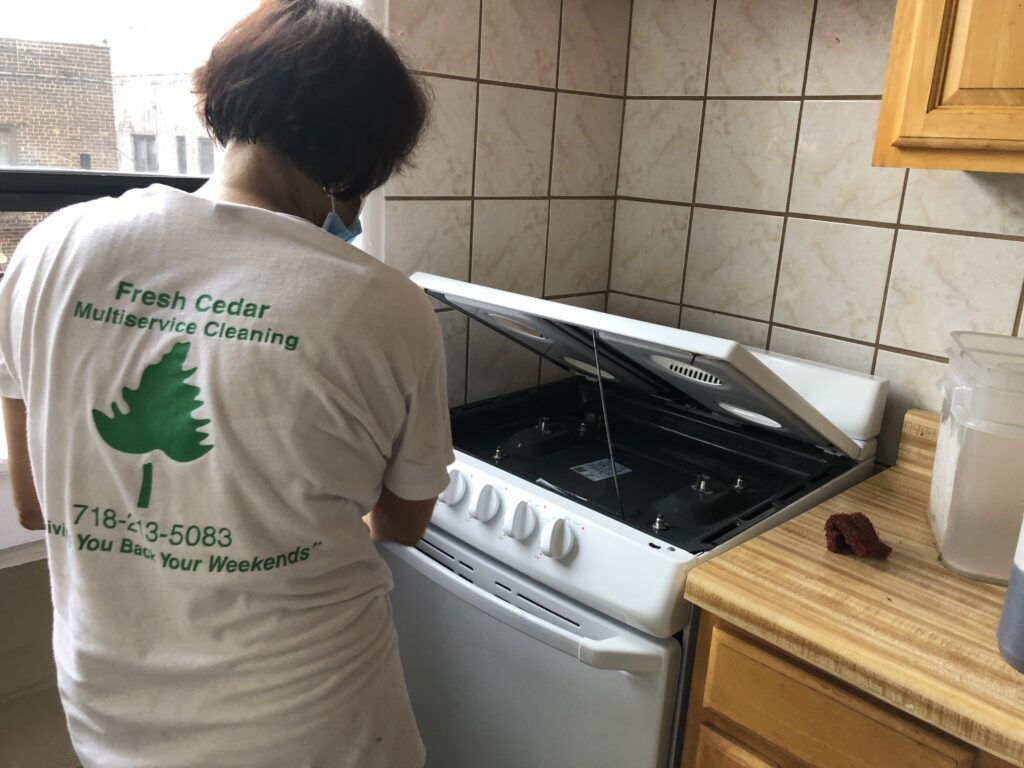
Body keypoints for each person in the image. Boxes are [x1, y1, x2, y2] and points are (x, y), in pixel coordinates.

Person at [0, 2, 451, 766]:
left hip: (112, 717)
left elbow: (34, 499)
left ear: (221, 103)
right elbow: (401, 524)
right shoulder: (384, 306)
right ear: (361, 162)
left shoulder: (49, 251)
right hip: (317, 730)